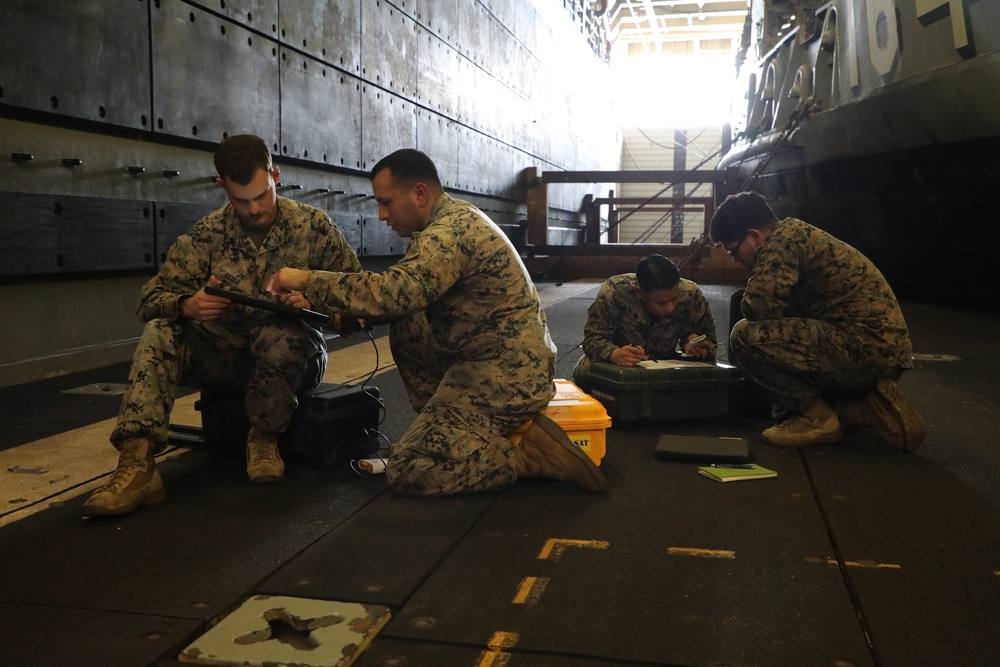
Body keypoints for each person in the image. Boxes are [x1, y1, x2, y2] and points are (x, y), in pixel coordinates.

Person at [267, 148, 607, 497]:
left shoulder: (448, 233)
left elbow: (393, 292)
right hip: (487, 359)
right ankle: (451, 429)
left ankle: (529, 458)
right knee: (408, 323)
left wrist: (305, 279)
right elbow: (403, 300)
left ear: (419, 193)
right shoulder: (448, 222)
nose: (382, 215)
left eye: (387, 202)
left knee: (408, 471)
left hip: (508, 376)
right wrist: (341, 313)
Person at [82, 134, 362, 516]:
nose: (254, 209)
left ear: (275, 175)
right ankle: (138, 464)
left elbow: (360, 304)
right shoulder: (207, 235)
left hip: (292, 361)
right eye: (240, 200)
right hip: (226, 361)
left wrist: (316, 303)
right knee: (161, 330)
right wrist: (188, 305)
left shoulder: (314, 228)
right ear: (221, 186)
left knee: (281, 334)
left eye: (262, 195)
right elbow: (149, 301)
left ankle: (264, 438)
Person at [710, 191, 926, 450]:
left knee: (745, 335)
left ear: (754, 236)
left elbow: (758, 308)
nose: (735, 260)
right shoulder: (797, 233)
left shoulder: (780, 243)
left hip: (860, 348)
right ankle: (865, 405)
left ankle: (817, 419)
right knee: (782, 409)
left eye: (733, 251)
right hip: (884, 352)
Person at [571, 254, 716, 388]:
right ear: (640, 293)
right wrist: (614, 354)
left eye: (675, 299)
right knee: (585, 368)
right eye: (661, 303)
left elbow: (711, 347)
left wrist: (696, 344)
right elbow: (592, 339)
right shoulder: (615, 292)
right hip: (621, 365)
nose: (670, 308)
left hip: (666, 363)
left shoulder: (691, 294)